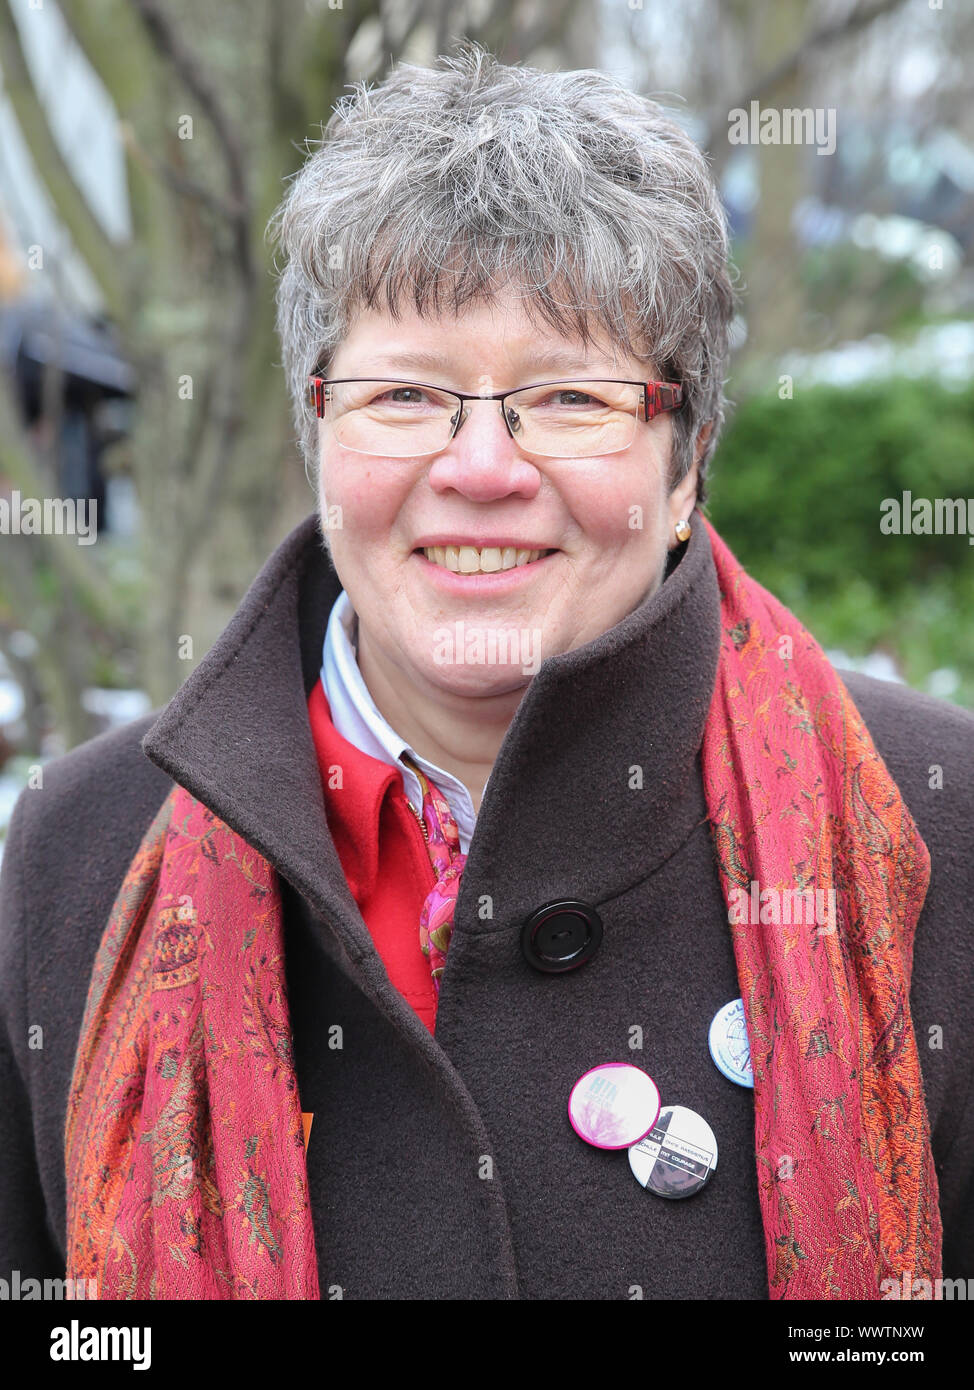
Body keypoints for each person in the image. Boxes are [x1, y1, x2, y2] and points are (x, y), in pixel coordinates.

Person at [1, 42, 972, 1303]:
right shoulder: (76, 853)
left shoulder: (933, 824)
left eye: (566, 396)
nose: (479, 467)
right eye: (404, 393)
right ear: (318, 438)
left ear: (684, 466)